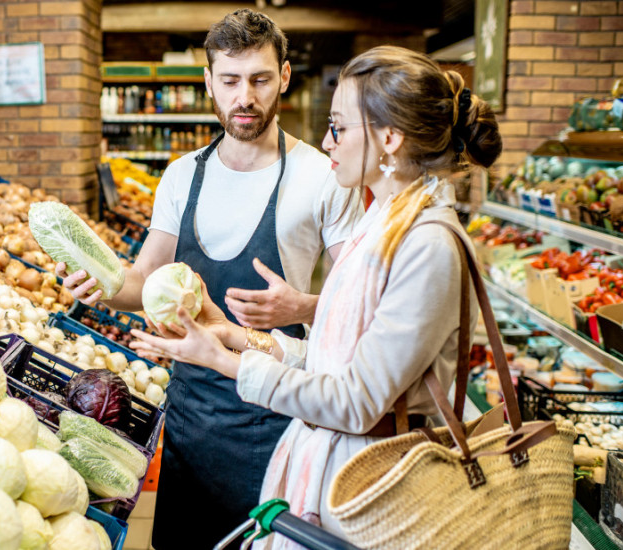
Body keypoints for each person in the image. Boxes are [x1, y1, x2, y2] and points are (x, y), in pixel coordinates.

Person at [130, 45, 502, 546]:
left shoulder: (428, 245)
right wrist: (234, 335)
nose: (328, 141)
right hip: (332, 470)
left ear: (389, 138)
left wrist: (225, 362)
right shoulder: (384, 226)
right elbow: (334, 360)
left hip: (371, 488)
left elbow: (354, 402)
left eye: (340, 127)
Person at [57, 9, 360, 548]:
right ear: (209, 83)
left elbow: (357, 302)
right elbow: (143, 281)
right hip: (191, 420)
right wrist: (100, 282)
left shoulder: (322, 176)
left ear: (284, 78)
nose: (245, 96)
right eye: (231, 80)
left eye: (261, 80)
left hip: (279, 414)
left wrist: (303, 308)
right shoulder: (181, 176)